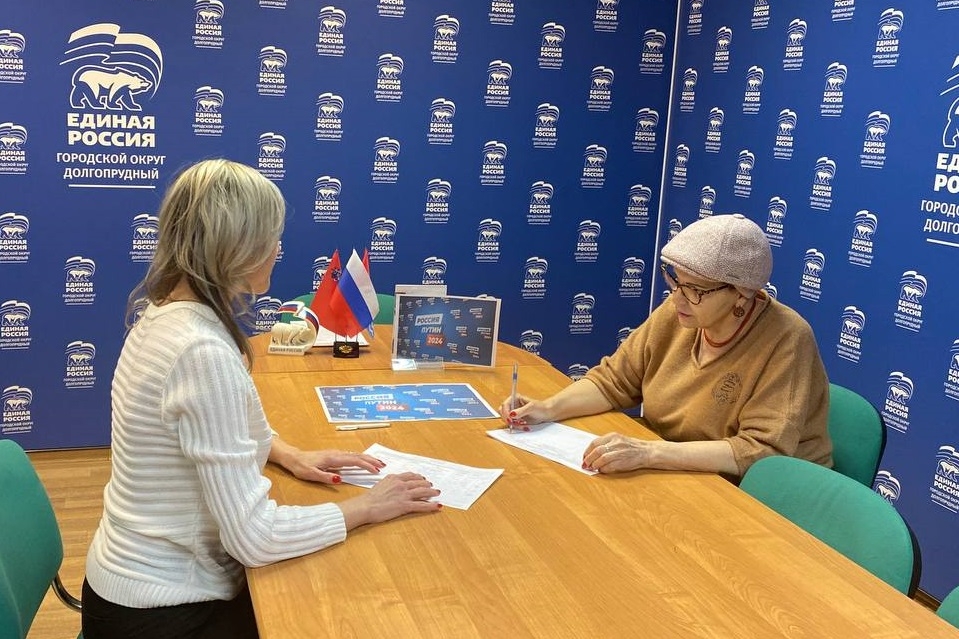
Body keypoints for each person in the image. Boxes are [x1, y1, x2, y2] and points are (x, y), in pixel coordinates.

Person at [82, 159, 441, 639]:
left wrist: (289, 454)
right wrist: (368, 506)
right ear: (239, 248)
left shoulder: (165, 314)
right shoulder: (200, 351)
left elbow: (209, 429)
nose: (277, 250)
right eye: (272, 238)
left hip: (127, 587)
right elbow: (254, 538)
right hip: (165, 611)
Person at [501, 213, 832, 479]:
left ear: (741, 294)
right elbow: (614, 381)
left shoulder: (787, 338)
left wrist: (648, 453)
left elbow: (759, 452)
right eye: (675, 281)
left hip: (752, 491)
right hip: (674, 466)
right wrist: (548, 409)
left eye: (695, 290)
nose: (677, 298)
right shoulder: (681, 312)